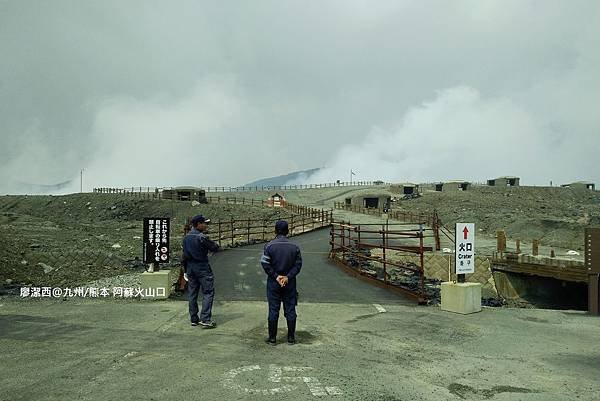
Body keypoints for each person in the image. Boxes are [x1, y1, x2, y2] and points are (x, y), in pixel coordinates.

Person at [260, 220, 302, 345]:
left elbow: (265, 264)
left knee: (273, 310)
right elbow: (298, 265)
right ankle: (291, 338)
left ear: (275, 231)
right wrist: (287, 277)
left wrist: (276, 276)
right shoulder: (295, 247)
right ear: (288, 231)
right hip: (289, 283)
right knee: (290, 309)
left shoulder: (269, 246)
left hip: (274, 283)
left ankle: (272, 338)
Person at [182, 214, 220, 328]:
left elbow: (183, 256)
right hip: (202, 267)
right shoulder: (201, 237)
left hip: (190, 267)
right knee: (208, 292)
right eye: (204, 223)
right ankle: (205, 319)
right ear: (198, 224)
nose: (206, 225)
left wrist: (185, 270)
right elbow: (214, 247)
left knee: (192, 293)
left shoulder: (186, 237)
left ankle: (194, 319)